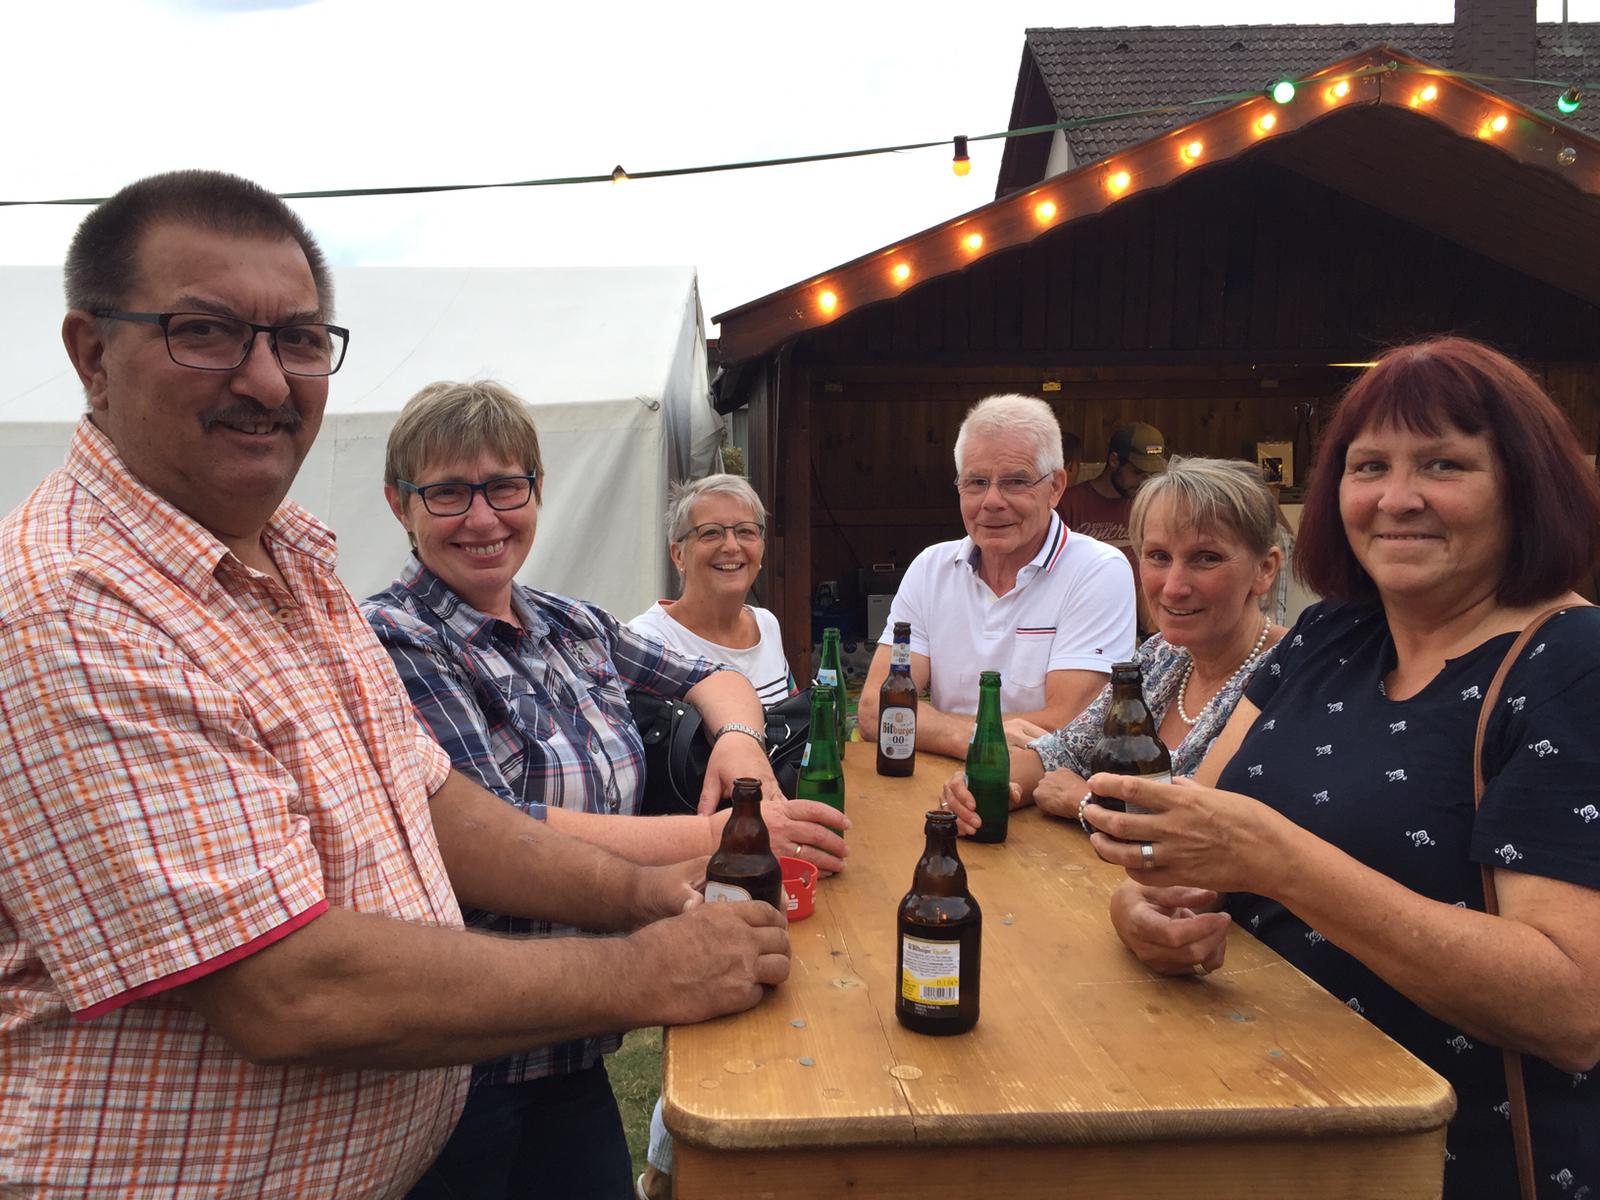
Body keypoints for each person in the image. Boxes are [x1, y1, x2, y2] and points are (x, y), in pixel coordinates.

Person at [0, 169, 792, 1200]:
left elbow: (431, 802)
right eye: (205, 332)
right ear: (92, 355)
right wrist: (652, 966)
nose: (268, 382)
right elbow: (286, 989)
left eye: (295, 339)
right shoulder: (70, 605)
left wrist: (649, 896)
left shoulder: (287, 566)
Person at [1089, 338, 1600, 1199]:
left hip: (1442, 1164)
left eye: (1444, 464)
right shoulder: (1332, 637)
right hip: (1256, 1124)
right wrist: (1141, 906)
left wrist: (1279, 861)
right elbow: (1186, 844)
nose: (1398, 499)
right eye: (1370, 467)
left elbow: (1572, 1006)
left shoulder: (1573, 665)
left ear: (1523, 484)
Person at [363, 382, 848, 1198]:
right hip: (465, 1061)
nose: (483, 519)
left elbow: (713, 673)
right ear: (398, 504)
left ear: (538, 492)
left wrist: (742, 751)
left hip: (571, 1038)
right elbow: (488, 834)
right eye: (448, 492)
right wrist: (731, 836)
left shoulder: (568, 624)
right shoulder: (392, 639)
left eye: (506, 487)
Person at [939, 457, 1285, 833]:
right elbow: (1065, 751)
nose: (1172, 587)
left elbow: (1209, 831)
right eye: (1158, 556)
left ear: (1264, 569)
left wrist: (1084, 803)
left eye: (1206, 559)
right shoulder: (1160, 658)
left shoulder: (1290, 674)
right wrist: (980, 789)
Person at [856, 393, 1136, 758]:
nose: (991, 501)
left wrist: (929, 727)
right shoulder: (931, 568)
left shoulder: (1097, 570)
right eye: (976, 482)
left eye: (1015, 482)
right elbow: (874, 710)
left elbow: (1070, 723)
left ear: (1055, 487)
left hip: (1041, 797)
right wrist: (968, 739)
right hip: (935, 787)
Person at [629, 473, 794, 706]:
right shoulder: (649, 640)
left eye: (745, 531)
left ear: (762, 548)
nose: (731, 546)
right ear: (678, 555)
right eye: (711, 532)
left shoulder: (766, 625)